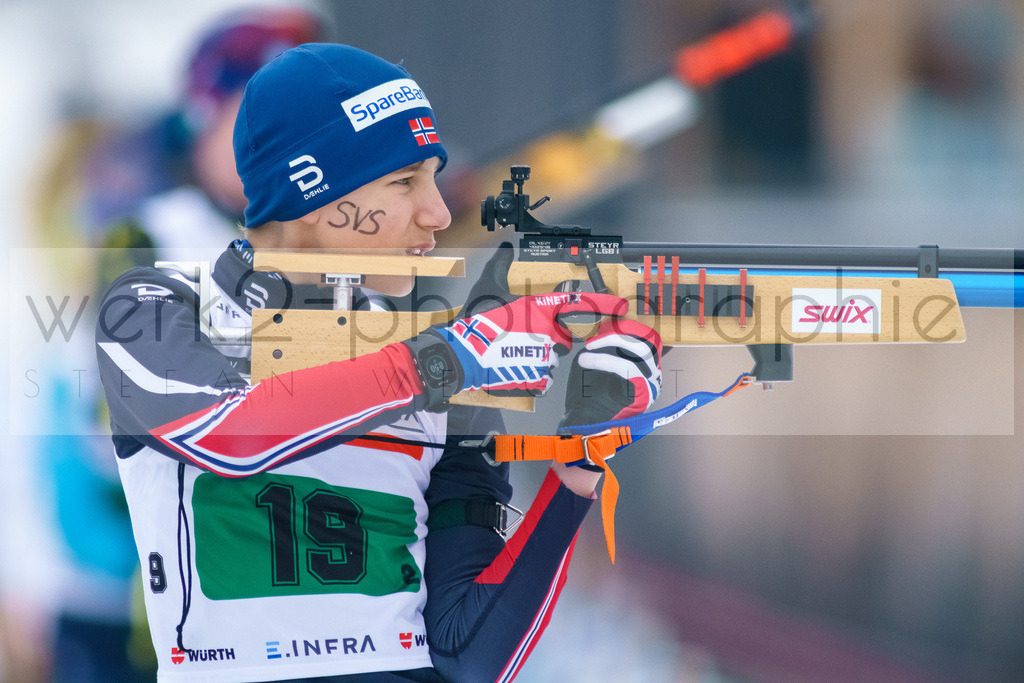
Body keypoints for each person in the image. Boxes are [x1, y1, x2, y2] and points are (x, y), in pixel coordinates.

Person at [96, 42, 663, 681]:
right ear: (309, 190)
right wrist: (446, 361)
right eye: (404, 181)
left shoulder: (441, 354)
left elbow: (470, 654)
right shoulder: (155, 302)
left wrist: (582, 460)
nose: (439, 212)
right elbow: (227, 432)